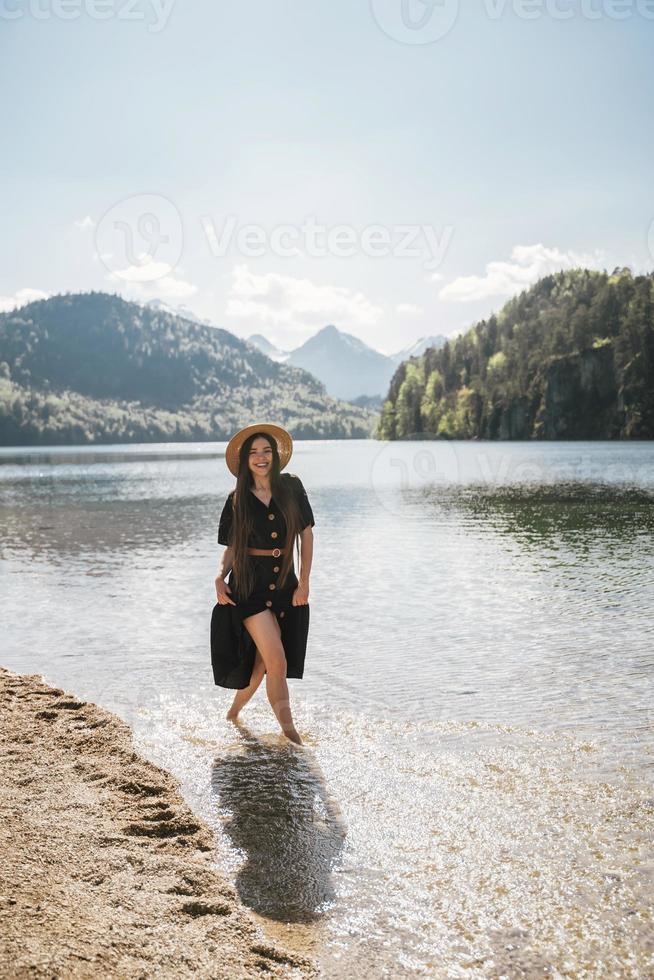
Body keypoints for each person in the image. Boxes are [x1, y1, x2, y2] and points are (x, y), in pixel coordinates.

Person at [210, 422, 315, 746]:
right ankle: (292, 737)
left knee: (261, 665)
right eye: (254, 452)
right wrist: (219, 577)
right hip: (249, 589)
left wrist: (305, 582)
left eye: (266, 450)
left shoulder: (292, 487)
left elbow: (307, 534)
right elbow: (230, 548)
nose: (261, 457)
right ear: (245, 460)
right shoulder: (236, 499)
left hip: (286, 585)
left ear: (275, 455)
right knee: (277, 660)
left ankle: (232, 716)